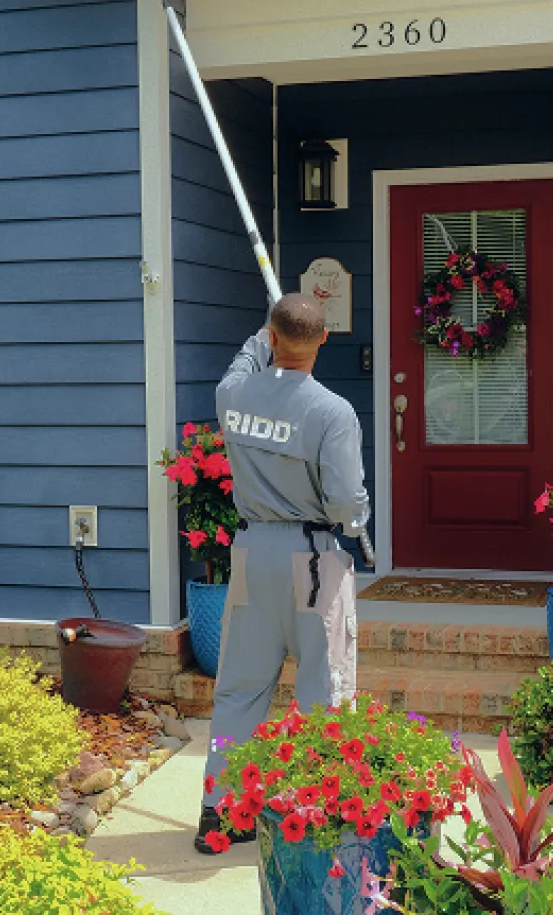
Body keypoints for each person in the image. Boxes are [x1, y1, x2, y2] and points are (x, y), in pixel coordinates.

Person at [194, 293, 370, 854]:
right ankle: (317, 820)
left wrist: (266, 328)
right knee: (324, 689)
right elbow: (345, 503)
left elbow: (244, 362)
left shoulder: (233, 394)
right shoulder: (331, 412)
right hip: (313, 558)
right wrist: (359, 517)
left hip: (250, 554)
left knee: (241, 688)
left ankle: (219, 815)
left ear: (270, 337)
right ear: (323, 340)